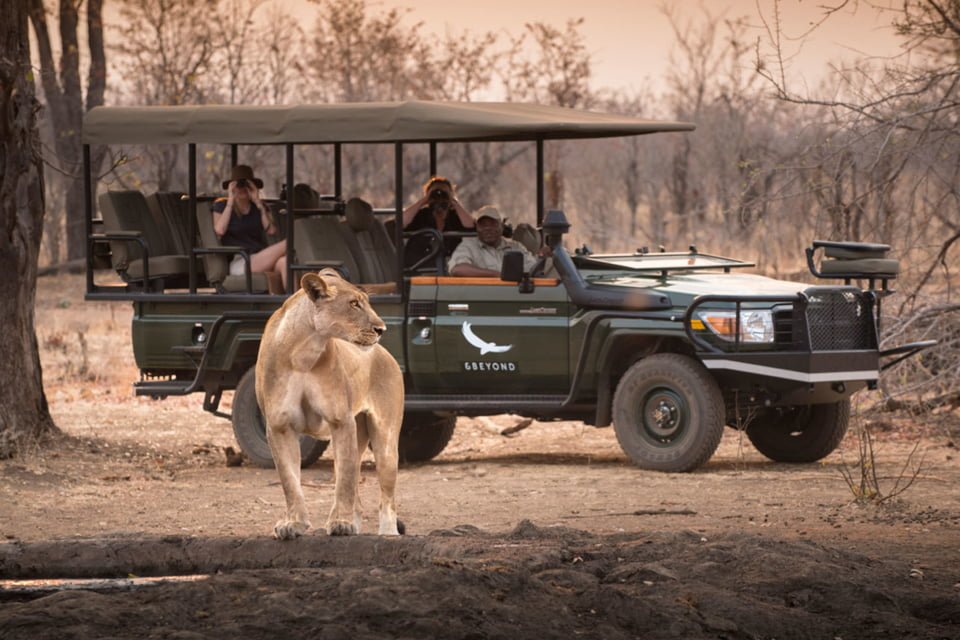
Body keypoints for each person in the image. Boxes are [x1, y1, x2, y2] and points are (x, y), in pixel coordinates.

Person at [212, 165, 287, 291]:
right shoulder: (222, 206)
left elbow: (271, 230)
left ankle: (293, 303)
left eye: (246, 185)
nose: (242, 189)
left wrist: (258, 202)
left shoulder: (257, 207)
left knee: (285, 262)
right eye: (239, 185)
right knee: (288, 243)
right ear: (232, 187)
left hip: (260, 256)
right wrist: (230, 201)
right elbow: (219, 230)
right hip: (241, 260)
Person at [401, 176, 475, 269]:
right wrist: (423, 201)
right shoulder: (421, 215)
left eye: (444, 194)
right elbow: (401, 222)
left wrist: (453, 201)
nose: (439, 199)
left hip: (450, 265)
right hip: (421, 264)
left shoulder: (456, 216)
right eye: (435, 195)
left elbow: (471, 226)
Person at [448, 206, 542, 277]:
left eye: (493, 224)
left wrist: (542, 256)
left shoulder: (515, 247)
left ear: (501, 226)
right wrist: (498, 275)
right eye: (483, 225)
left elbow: (534, 269)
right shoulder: (468, 246)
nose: (488, 228)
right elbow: (458, 269)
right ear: (477, 228)